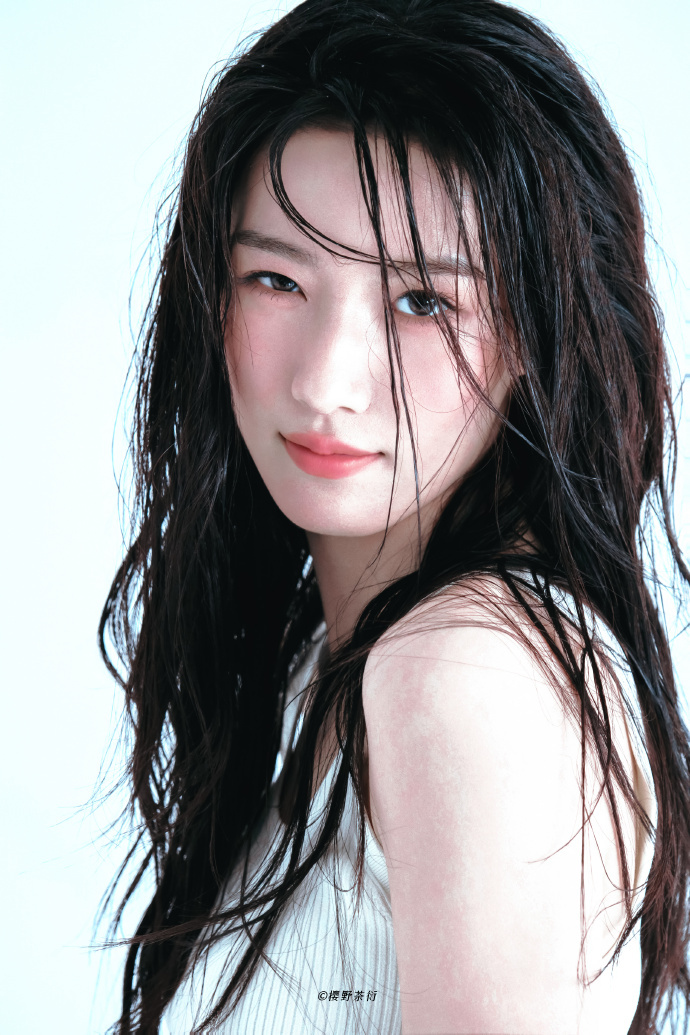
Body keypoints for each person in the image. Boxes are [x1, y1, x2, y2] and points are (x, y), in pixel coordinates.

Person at [99, 0, 690, 1032]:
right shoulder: (328, 664)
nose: (325, 383)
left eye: (424, 301)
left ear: (536, 337)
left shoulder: (460, 674)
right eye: (276, 279)